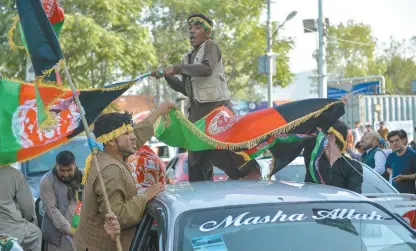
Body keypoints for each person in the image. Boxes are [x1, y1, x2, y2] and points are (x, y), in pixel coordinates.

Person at [152, 13, 260, 181]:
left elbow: (206, 69)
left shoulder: (211, 46)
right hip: (197, 116)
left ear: (207, 33)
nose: (192, 32)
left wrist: (176, 68)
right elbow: (187, 90)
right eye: (189, 28)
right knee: (197, 160)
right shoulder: (187, 58)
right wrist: (167, 76)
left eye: (197, 27)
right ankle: (201, 193)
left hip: (215, 110)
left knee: (229, 148)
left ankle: (251, 176)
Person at [75, 102, 173, 251]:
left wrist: (159, 112)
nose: (133, 137)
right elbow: (118, 217)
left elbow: (138, 135)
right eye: (126, 133)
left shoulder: (105, 153)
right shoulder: (111, 170)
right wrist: (146, 196)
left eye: (131, 131)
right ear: (111, 141)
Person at [303, 120, 363, 193]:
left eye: (321, 134)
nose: (317, 137)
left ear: (331, 136)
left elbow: (354, 200)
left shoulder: (353, 167)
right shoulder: (314, 163)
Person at [39, 151, 83, 251]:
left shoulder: (84, 176)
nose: (66, 174)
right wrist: (70, 230)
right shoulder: (47, 181)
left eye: (69, 170)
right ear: (56, 166)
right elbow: (52, 210)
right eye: (62, 170)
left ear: (74, 165)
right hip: (58, 236)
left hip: (82, 232)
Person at [0, 166, 41, 251]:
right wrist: (31, 219)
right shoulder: (14, 173)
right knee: (36, 233)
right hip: (10, 227)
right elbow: (27, 206)